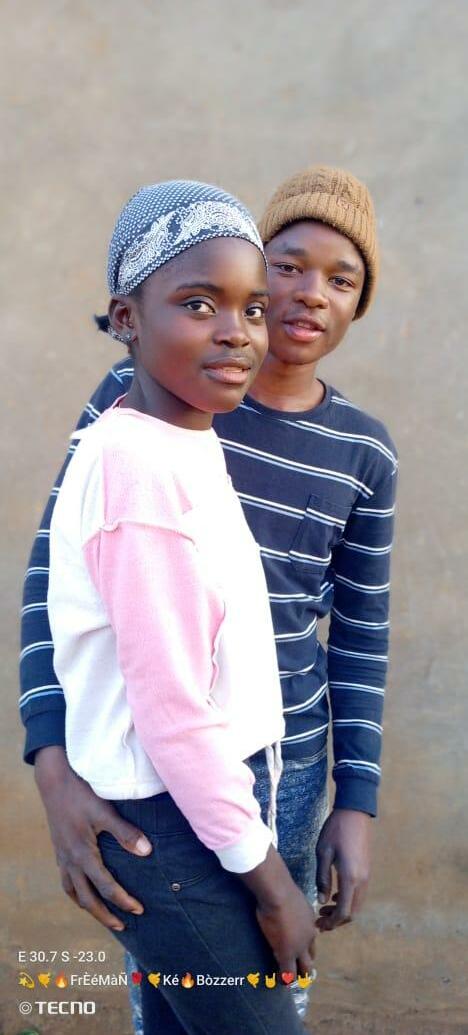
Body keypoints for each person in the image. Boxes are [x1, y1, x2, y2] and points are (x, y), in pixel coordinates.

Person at [20, 165, 397, 1030]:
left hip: (285, 768)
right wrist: (52, 761)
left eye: (342, 279)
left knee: (230, 1001)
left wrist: (356, 796)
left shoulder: (357, 452)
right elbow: (57, 585)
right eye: (287, 266)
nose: (308, 293)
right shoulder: (146, 412)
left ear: (360, 302)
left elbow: (360, 631)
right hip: (167, 784)